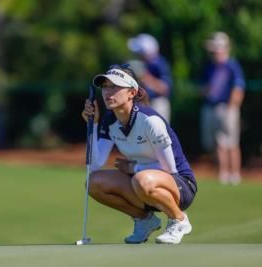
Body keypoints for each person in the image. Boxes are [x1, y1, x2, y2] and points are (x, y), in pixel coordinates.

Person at [81, 64, 197, 244]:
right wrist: (93, 124)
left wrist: (135, 168)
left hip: (180, 186)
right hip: (142, 184)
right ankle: (144, 220)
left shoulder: (150, 120)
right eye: (105, 86)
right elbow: (95, 165)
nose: (107, 92)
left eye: (115, 86)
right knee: (93, 183)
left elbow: (170, 169)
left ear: (132, 93)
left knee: (141, 179)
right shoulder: (109, 121)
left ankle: (179, 220)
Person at [200, 32, 246, 185]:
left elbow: (238, 88)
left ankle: (235, 174)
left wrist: (232, 108)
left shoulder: (232, 65)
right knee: (218, 143)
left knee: (231, 142)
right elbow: (205, 88)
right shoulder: (210, 66)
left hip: (227, 107)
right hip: (212, 107)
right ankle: (223, 173)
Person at [127, 33, 173, 123]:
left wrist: (145, 77)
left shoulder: (159, 64)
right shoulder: (144, 63)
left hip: (157, 104)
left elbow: (165, 88)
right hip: (144, 104)